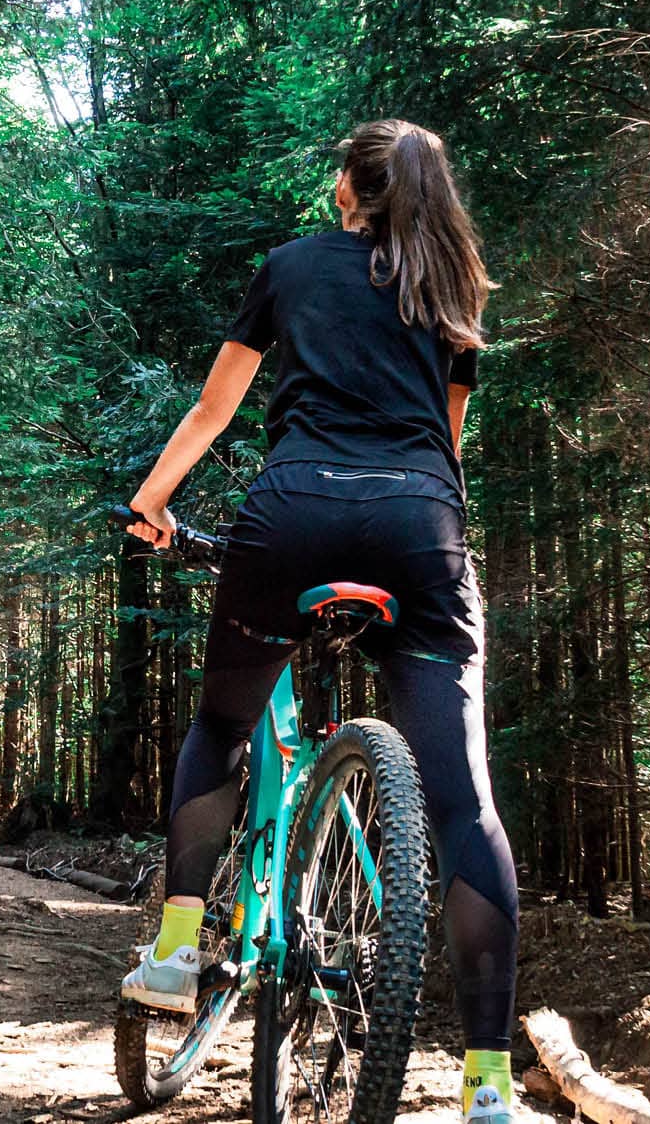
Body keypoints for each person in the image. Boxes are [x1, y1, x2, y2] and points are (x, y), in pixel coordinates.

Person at [118, 120, 520, 1124]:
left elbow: (213, 411)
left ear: (351, 187)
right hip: (417, 530)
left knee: (219, 724)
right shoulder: (451, 288)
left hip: (289, 517)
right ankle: (487, 1086)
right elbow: (447, 451)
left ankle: (174, 948)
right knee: (462, 807)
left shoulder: (291, 267)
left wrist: (150, 505)